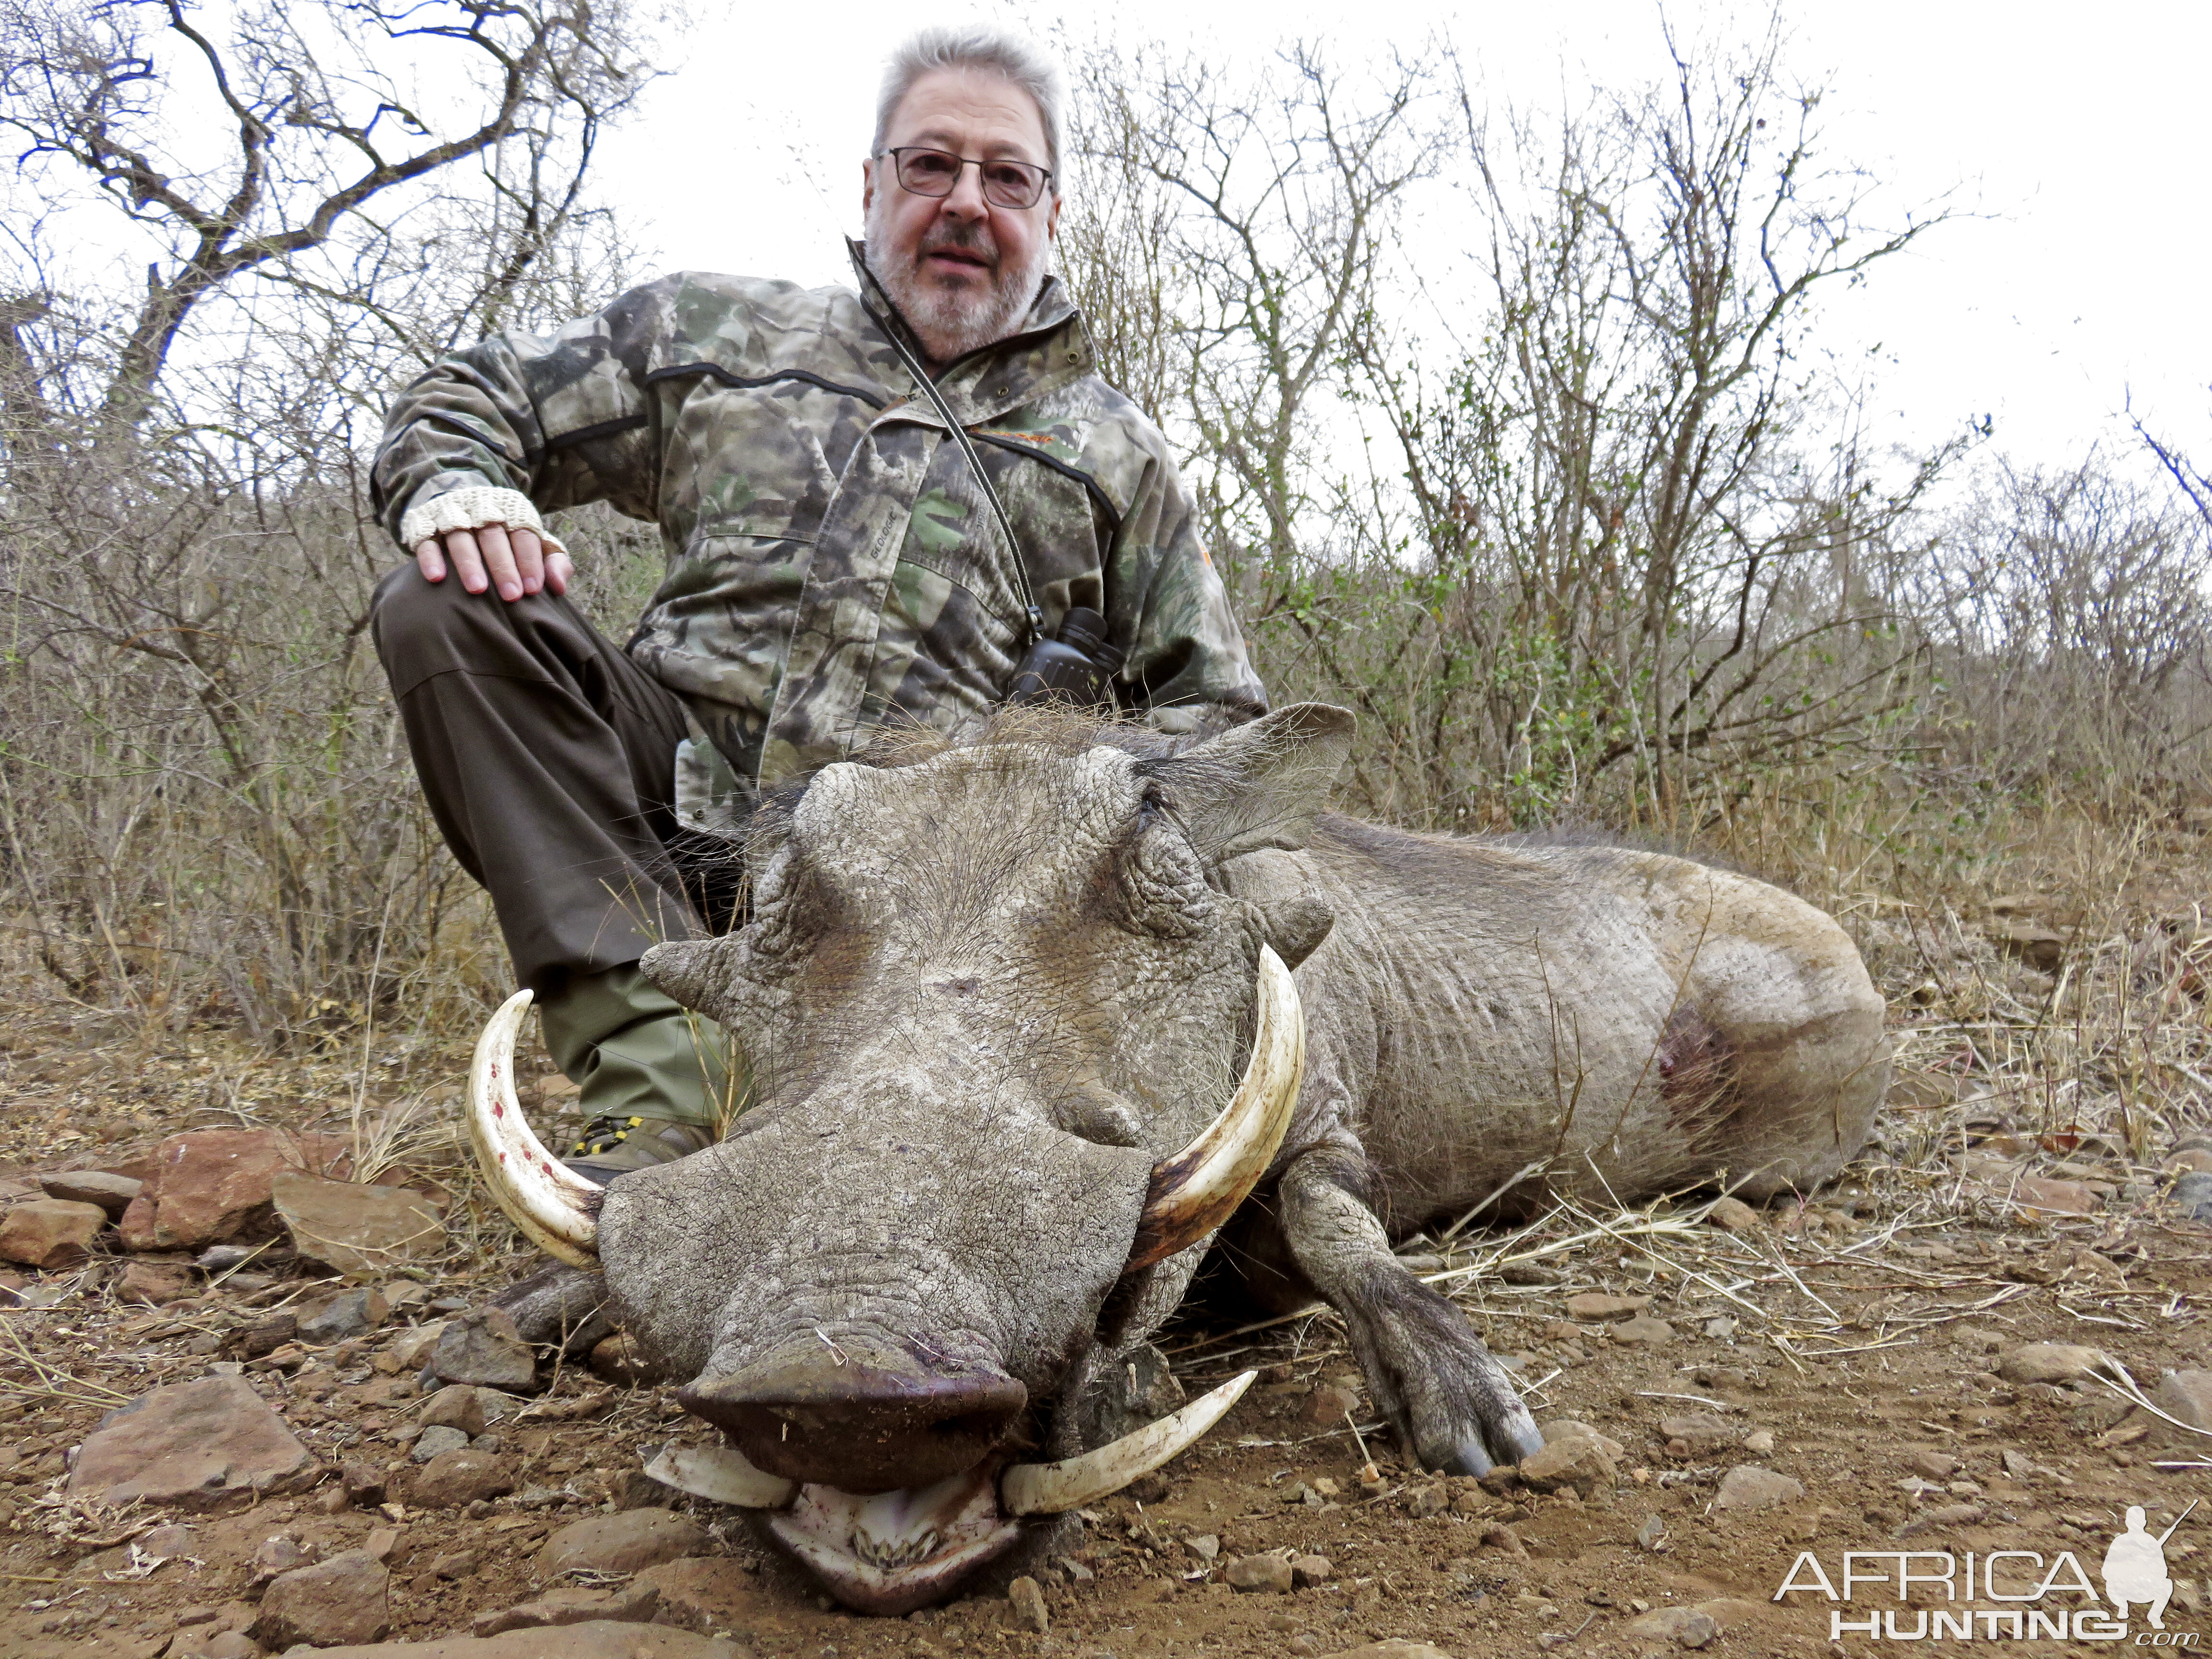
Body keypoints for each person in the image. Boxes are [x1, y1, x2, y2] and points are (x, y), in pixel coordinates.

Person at [368, 25, 1268, 1183]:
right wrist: (459, 483)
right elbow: (473, 395)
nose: (963, 202)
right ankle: (660, 1069)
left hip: (929, 905)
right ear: (871, 182)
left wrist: (1061, 778)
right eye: (929, 164)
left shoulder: (1112, 450)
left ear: (1051, 212)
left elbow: (1220, 718)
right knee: (445, 602)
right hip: (667, 824)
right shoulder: (715, 336)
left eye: (1006, 176)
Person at [2103, 1506, 2174, 1629]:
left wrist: (2148, 1569)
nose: (2135, 1524)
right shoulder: (2120, 1541)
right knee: (2112, 1583)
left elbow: (2163, 1571)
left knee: (2167, 1584)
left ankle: (2155, 1616)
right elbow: (2107, 1570)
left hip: (2145, 1587)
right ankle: (2123, 1608)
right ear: (2127, 1522)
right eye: (2132, 1521)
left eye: (2138, 1521)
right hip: (2123, 1588)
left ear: (2144, 1523)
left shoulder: (2151, 1543)